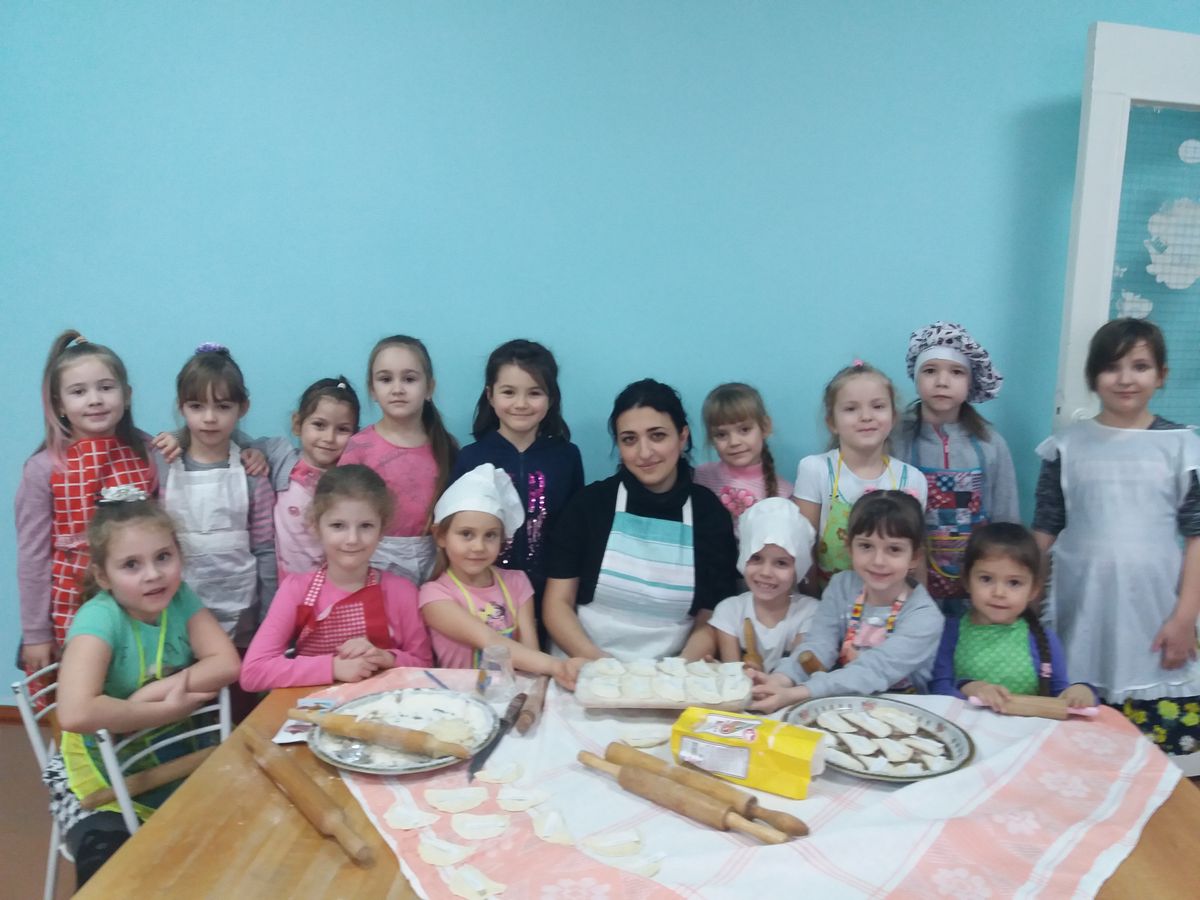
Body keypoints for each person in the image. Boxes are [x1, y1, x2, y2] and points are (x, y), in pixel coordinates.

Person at [47, 491, 240, 888]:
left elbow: (226, 663)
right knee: (110, 876)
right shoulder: (99, 620)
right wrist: (163, 710)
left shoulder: (180, 598)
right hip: (94, 776)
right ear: (104, 577)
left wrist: (154, 692)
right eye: (131, 565)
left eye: (163, 557)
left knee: (227, 850)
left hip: (167, 756)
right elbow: (76, 712)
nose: (153, 575)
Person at [1034, 318, 1200, 770]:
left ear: (1161, 375)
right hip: (1082, 603)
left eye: (1140, 366)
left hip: (1155, 609)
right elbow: (1045, 530)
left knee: (1158, 764)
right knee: (1081, 756)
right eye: (1111, 367)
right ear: (1092, 377)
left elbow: (1197, 537)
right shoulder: (1066, 446)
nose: (1126, 378)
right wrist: (1019, 594)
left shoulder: (1181, 446)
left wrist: (1185, 618)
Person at [542, 379, 738, 661]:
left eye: (657, 436)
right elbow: (557, 604)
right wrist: (600, 665)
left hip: (675, 670)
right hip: (585, 663)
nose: (644, 453)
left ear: (682, 437)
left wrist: (677, 670)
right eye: (629, 439)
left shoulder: (709, 514)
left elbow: (712, 615)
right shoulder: (589, 505)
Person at [16, 330, 160, 677]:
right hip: (71, 606)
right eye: (79, 392)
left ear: (127, 395)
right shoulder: (42, 469)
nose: (95, 400)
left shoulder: (151, 453)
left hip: (140, 601)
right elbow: (32, 557)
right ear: (58, 405)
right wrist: (36, 634)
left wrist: (250, 451)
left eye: (106, 387)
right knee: (82, 688)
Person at [241, 465, 432, 690]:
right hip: (313, 706)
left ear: (382, 530)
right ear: (316, 526)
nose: (352, 539)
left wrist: (386, 658)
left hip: (383, 704)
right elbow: (253, 672)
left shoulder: (403, 591)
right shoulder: (296, 590)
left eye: (366, 526)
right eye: (338, 525)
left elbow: (425, 665)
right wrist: (332, 667)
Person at [750, 491, 943, 712]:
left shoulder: (925, 616)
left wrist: (797, 693)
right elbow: (819, 645)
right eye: (866, 546)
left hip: (902, 710)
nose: (878, 561)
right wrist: (780, 680)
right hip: (841, 702)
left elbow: (873, 670)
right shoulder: (842, 586)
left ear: (915, 557)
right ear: (850, 547)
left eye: (894, 549)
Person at [449, 339, 584, 642]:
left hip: (552, 593)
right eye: (509, 392)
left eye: (534, 392)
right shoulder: (471, 458)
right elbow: (455, 528)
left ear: (551, 397)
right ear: (490, 395)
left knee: (541, 663)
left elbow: (574, 529)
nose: (521, 404)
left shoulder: (566, 456)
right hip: (486, 594)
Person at [419, 463, 583, 688]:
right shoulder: (434, 595)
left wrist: (546, 680)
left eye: (490, 535)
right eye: (466, 534)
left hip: (511, 693)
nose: (478, 546)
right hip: (458, 698)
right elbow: (490, 641)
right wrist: (558, 666)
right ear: (440, 536)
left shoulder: (517, 582)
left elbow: (530, 651)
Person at [893, 322, 1019, 613]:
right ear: (915, 377)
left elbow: (1007, 521)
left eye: (956, 372)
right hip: (909, 584)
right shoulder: (895, 440)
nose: (942, 381)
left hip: (977, 587)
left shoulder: (991, 444)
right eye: (930, 370)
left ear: (971, 381)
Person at [162, 343, 276, 647]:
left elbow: (265, 551)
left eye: (223, 406)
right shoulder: (164, 469)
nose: (210, 418)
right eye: (196, 406)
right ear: (181, 407)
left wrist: (268, 619)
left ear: (243, 407)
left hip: (243, 616)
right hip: (178, 613)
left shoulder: (252, 473)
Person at [793, 361, 927, 593]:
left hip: (892, 606)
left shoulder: (911, 479)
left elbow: (918, 556)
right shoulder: (815, 469)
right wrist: (812, 605)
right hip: (828, 603)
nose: (866, 416)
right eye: (851, 409)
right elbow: (805, 549)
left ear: (893, 417)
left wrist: (921, 605)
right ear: (832, 422)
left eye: (878, 406)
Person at [929, 523, 1096, 709]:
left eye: (1014, 583)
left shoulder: (1044, 639)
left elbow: (1061, 698)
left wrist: (1082, 692)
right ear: (967, 580)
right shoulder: (951, 632)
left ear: (1033, 590)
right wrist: (969, 687)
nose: (999, 592)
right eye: (986, 579)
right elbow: (939, 691)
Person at [339, 335, 458, 584]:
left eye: (409, 379)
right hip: (375, 556)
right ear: (372, 389)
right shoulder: (360, 447)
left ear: (429, 388)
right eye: (385, 379)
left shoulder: (446, 446)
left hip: (434, 558)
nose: (397, 389)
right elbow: (341, 508)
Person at [262, 377, 361, 580]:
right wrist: (254, 454)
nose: (329, 438)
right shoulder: (280, 457)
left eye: (342, 429)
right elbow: (235, 440)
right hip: (284, 583)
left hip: (330, 584)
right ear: (297, 424)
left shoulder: (349, 479)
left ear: (355, 435)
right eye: (319, 425)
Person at [710, 498, 818, 672]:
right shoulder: (729, 611)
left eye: (781, 563)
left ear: (798, 568)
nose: (766, 572)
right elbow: (733, 675)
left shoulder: (810, 613)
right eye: (756, 558)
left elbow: (798, 674)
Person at [694, 383, 792, 531]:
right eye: (721, 434)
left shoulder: (784, 493)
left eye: (744, 429)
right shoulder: (701, 477)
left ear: (765, 427)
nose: (734, 442)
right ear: (711, 439)